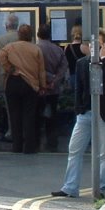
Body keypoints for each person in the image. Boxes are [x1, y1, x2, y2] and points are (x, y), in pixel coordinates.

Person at [51, 32, 105, 198]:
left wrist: (104, 58)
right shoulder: (81, 63)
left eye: (97, 44)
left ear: (104, 45)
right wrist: (78, 110)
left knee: (104, 152)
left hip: (104, 112)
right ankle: (70, 187)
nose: (92, 47)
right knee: (74, 149)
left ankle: (102, 189)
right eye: (90, 43)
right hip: (85, 112)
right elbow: (79, 89)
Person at [0, 24, 46, 153]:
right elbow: (41, 70)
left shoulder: (10, 47)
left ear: (19, 34)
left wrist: (10, 68)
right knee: (29, 115)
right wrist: (42, 86)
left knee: (14, 115)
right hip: (30, 83)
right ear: (31, 35)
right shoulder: (36, 49)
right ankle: (29, 146)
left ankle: (17, 145)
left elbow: (0, 57)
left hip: (13, 81)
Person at [36, 23, 68, 152]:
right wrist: (55, 80)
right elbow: (63, 66)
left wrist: (45, 80)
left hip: (39, 88)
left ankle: (37, 140)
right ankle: (52, 141)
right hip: (53, 88)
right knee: (52, 116)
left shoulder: (36, 48)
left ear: (38, 34)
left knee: (37, 115)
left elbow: (35, 67)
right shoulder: (58, 49)